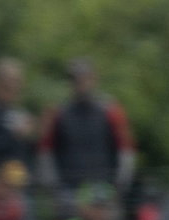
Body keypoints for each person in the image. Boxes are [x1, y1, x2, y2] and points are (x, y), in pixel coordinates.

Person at [37, 59, 136, 205]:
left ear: (94, 79)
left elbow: (126, 151)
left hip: (103, 191)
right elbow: (46, 153)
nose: (80, 84)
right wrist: (54, 190)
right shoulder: (58, 114)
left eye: (84, 78)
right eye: (75, 80)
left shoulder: (111, 111)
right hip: (69, 194)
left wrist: (119, 188)